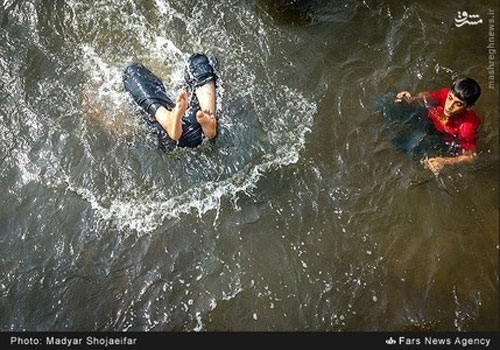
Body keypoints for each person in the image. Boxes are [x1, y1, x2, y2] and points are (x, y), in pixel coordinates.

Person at [122, 53, 218, 149]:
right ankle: (209, 113)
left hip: (167, 134)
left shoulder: (154, 90)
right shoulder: (188, 96)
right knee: (197, 60)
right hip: (197, 123)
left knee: (131, 72)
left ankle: (165, 118)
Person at [395, 77, 481, 175]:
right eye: (450, 98)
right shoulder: (445, 94)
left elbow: (471, 156)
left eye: (458, 104)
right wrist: (411, 98)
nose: (449, 106)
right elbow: (427, 96)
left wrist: (445, 161)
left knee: (408, 144)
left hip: (445, 137)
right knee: (382, 103)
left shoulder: (466, 127)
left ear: (469, 107)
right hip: (431, 122)